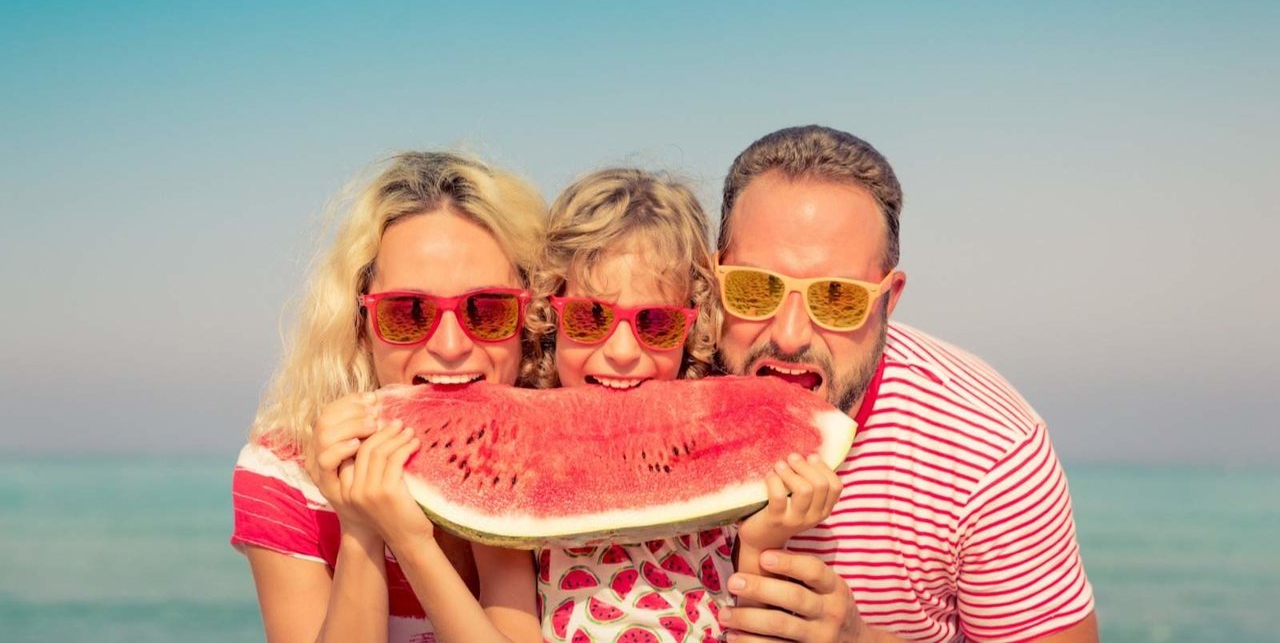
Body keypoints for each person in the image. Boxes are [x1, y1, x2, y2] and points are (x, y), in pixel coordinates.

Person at [371, 167, 840, 643]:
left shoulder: (728, 458)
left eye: (655, 322)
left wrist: (765, 537)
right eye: (590, 316)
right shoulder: (514, 469)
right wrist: (414, 546)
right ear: (549, 318)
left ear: (691, 331)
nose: (621, 351)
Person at [712, 126, 1098, 643]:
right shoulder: (655, 363)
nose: (789, 335)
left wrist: (859, 639)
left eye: (836, 297)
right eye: (754, 288)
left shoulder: (990, 451)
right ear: (711, 279)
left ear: (888, 300)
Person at [229, 151, 547, 642]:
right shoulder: (282, 476)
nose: (449, 346)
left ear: (531, 318)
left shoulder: (560, 456)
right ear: (360, 325)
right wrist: (360, 530)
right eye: (408, 312)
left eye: (487, 310)